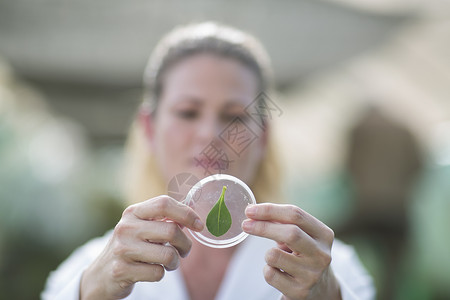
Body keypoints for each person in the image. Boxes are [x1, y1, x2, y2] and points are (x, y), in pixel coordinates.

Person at [42, 22, 375, 300]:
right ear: (149, 128)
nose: (210, 134)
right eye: (188, 112)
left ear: (263, 137)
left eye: (235, 116)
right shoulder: (89, 270)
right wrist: (88, 292)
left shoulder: (328, 268)